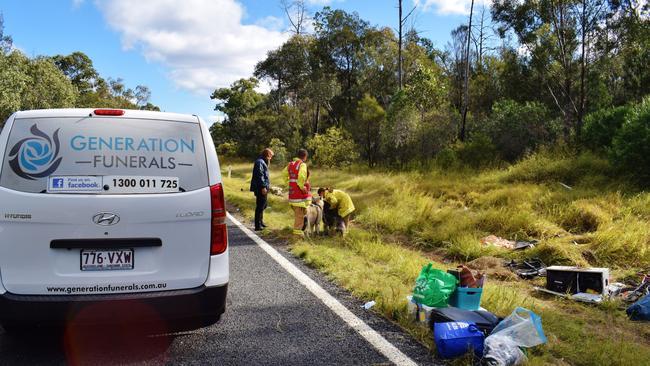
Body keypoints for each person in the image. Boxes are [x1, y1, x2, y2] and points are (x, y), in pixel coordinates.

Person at [284, 149, 311, 237]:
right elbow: (301, 177)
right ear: (305, 157)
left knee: (300, 215)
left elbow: (284, 174)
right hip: (299, 196)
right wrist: (302, 187)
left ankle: (300, 232)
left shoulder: (290, 164)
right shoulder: (302, 165)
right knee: (299, 217)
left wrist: (288, 183)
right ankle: (297, 237)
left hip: (292, 195)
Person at [250, 148, 273, 231]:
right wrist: (263, 187)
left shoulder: (263, 162)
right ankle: (257, 225)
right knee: (260, 206)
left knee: (264, 205)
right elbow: (260, 175)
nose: (271, 158)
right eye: (270, 156)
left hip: (263, 187)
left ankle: (261, 222)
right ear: (267, 155)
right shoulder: (260, 162)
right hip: (260, 188)